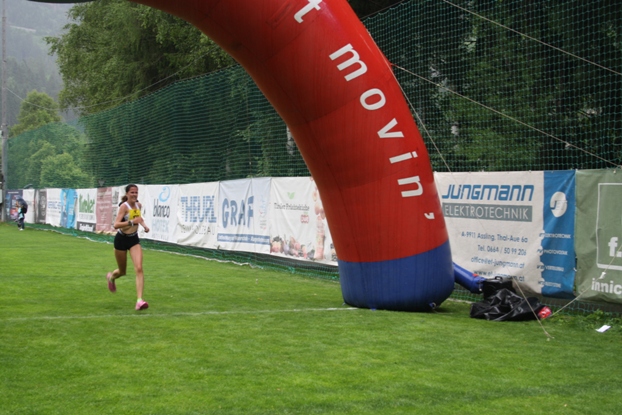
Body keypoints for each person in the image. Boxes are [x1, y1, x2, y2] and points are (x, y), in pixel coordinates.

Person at [106, 184, 151, 310]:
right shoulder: (124, 207)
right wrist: (131, 222)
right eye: (132, 192)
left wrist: (144, 226)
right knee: (122, 272)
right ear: (127, 194)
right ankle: (111, 277)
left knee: (139, 268)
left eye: (136, 192)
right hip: (121, 240)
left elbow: (138, 218)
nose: (134, 194)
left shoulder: (138, 205)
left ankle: (139, 301)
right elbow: (116, 224)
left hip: (133, 239)